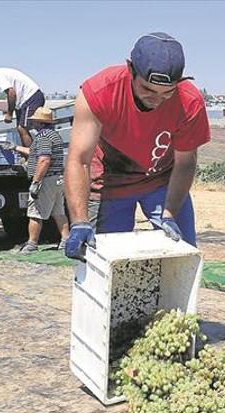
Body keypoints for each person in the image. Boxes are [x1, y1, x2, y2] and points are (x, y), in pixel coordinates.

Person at [63, 32, 210, 261]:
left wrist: (169, 213)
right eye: (148, 89)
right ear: (131, 69)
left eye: (167, 92)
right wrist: (79, 221)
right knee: (104, 260)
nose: (156, 99)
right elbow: (78, 159)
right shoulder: (100, 91)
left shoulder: (189, 102)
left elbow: (185, 163)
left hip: (162, 181)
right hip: (109, 182)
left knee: (181, 256)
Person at [3, 107, 70, 253]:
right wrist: (16, 147)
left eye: (34, 121)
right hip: (57, 179)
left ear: (40, 123)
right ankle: (66, 240)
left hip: (46, 180)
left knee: (35, 212)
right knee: (58, 212)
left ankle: (32, 243)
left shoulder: (43, 137)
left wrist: (36, 182)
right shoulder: (52, 135)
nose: (32, 124)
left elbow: (44, 160)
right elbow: (35, 152)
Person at [0, 63, 45, 148]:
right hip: (24, 102)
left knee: (22, 128)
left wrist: (9, 114)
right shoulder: (1, 72)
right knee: (21, 129)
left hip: (31, 98)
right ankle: (30, 155)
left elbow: (11, 93)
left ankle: (31, 158)